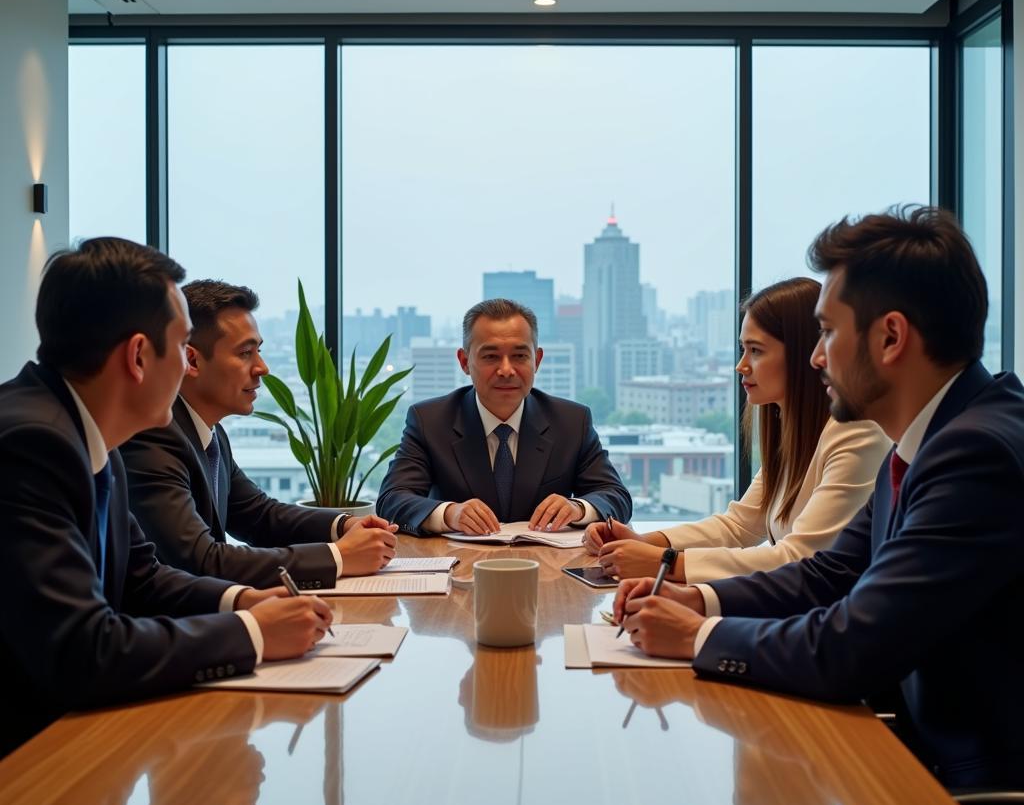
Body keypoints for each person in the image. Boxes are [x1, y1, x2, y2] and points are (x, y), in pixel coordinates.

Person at [613, 208, 1024, 805]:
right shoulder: (930, 435)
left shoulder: (975, 454)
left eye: (828, 331)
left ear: (891, 338)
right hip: (909, 766)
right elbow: (830, 573)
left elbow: (855, 643)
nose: (814, 355)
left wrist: (699, 637)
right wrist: (706, 602)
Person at [0, 238, 332, 756]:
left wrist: (244, 601)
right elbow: (84, 650)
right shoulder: (30, 445)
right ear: (137, 355)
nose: (185, 365)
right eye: (181, 347)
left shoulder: (90, 432)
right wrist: (251, 633)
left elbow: (142, 578)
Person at [586, 277, 890, 583]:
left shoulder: (855, 434)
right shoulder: (791, 430)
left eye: (756, 351)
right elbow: (740, 526)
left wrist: (664, 563)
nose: (741, 366)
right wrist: (644, 543)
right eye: (743, 350)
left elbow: (800, 557)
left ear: (802, 355)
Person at [120, 279, 397, 590]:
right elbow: (200, 560)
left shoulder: (209, 432)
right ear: (192, 360)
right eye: (245, 353)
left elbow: (259, 515)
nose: (262, 368)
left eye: (259, 351)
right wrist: (338, 557)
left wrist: (344, 525)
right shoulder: (153, 437)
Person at [376, 298, 631, 535]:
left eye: (520, 356)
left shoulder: (572, 421)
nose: (507, 370)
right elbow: (393, 499)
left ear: (537, 360)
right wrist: (451, 513)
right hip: (460, 569)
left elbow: (615, 496)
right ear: (464, 361)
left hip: (548, 566)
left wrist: (578, 509)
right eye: (491, 356)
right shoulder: (429, 421)